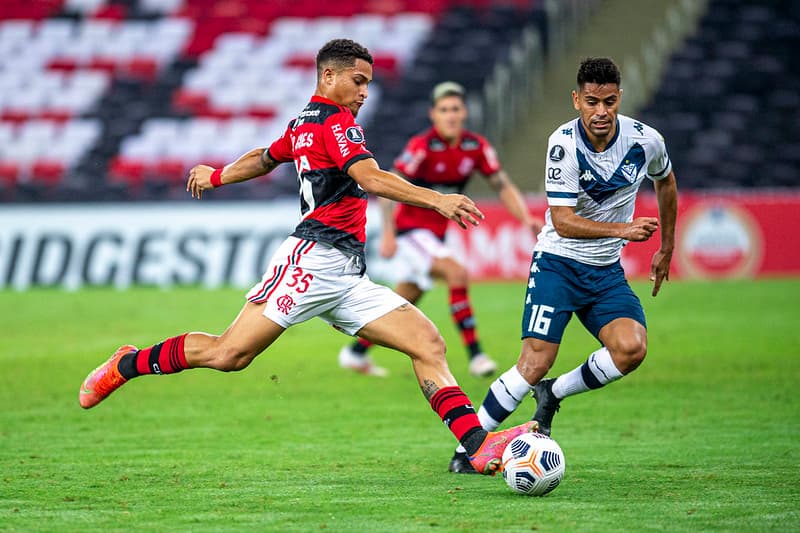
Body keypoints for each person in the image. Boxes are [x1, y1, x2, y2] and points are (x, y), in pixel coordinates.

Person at [78, 39, 536, 475]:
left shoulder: (305, 122)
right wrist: (437, 200)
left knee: (427, 343)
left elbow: (265, 157)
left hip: (347, 274)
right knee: (229, 354)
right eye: (357, 81)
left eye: (369, 84)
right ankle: (127, 363)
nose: (363, 92)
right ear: (329, 75)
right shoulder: (333, 122)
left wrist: (217, 175)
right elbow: (371, 178)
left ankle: (476, 448)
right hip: (310, 261)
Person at [448, 57, 678, 473]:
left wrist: (667, 245)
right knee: (534, 362)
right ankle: (469, 449)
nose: (601, 111)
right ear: (577, 100)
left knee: (631, 349)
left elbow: (666, 181)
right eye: (592, 101)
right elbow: (563, 222)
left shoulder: (646, 141)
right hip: (558, 264)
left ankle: (553, 394)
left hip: (605, 274)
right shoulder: (563, 144)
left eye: (609, 101)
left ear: (619, 98)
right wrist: (623, 230)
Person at [338, 81, 541, 378]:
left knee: (407, 295)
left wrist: (526, 218)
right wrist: (390, 234)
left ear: (464, 113)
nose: (450, 115)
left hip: (434, 235)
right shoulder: (422, 147)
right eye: (444, 110)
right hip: (410, 231)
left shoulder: (476, 147)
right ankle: (476, 356)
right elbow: (386, 185)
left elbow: (502, 185)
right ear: (433, 114)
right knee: (456, 272)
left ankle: (355, 354)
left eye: (455, 109)